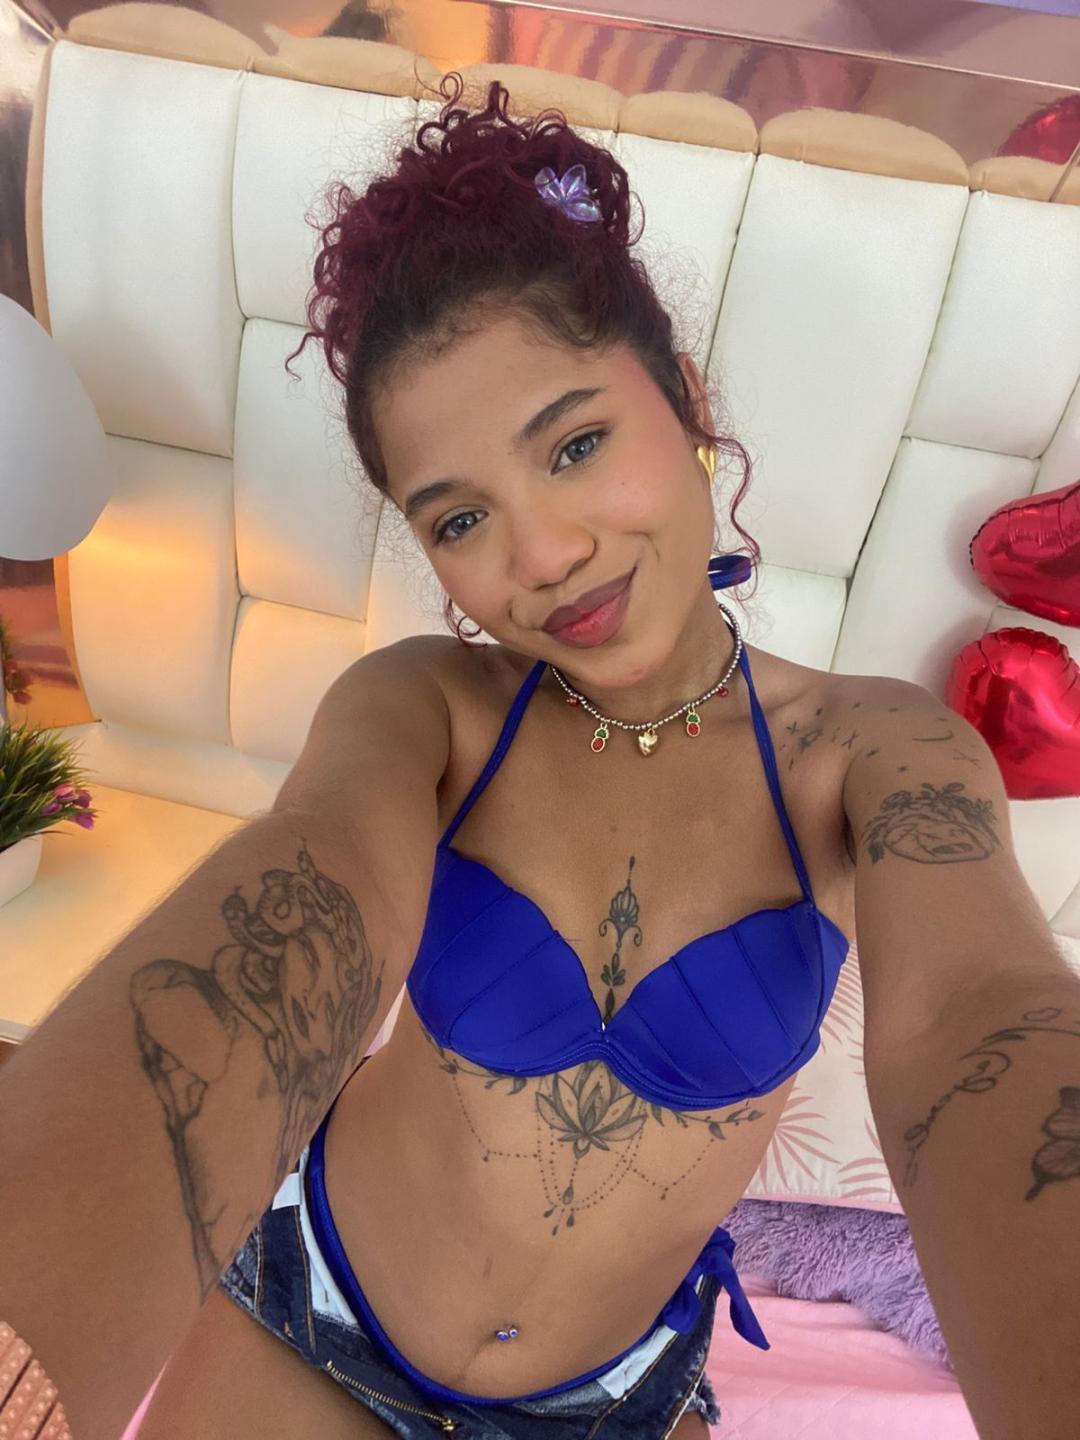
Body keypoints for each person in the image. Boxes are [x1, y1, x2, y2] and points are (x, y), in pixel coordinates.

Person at [133, 70, 858, 1439]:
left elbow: (985, 1019)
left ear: (685, 401)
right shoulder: (424, 709)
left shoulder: (867, 753)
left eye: (575, 444)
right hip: (315, 1304)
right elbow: (293, 897)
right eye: (458, 521)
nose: (543, 555)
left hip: (615, 1392)